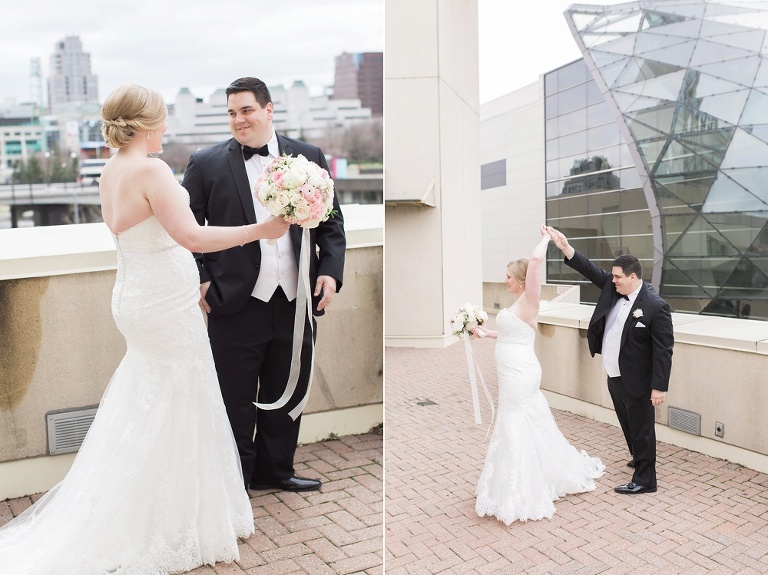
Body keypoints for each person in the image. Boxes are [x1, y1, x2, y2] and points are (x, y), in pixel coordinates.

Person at [0, 84, 293, 573]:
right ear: (145, 124)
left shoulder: (111, 169)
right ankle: (171, 519)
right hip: (161, 306)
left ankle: (152, 504)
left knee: (152, 397)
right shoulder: (150, 169)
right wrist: (260, 231)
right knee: (178, 399)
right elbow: (191, 235)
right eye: (161, 121)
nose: (165, 129)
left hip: (138, 298)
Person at [182, 77, 346, 493]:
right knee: (234, 398)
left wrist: (330, 270)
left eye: (247, 110)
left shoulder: (308, 157)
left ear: (269, 109)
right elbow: (184, 230)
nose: (239, 120)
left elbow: (331, 222)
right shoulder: (206, 163)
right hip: (234, 300)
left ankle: (276, 471)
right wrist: (201, 279)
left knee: (287, 390)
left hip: (296, 300)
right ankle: (235, 481)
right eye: (232, 113)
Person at [473, 225, 605, 524]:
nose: (504, 280)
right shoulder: (517, 305)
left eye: (508, 276)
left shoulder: (531, 298)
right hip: (511, 372)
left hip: (522, 373)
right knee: (519, 419)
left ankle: (519, 488)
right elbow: (512, 335)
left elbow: (535, 262)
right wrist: (485, 333)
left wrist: (547, 238)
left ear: (521, 280)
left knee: (515, 420)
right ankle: (509, 480)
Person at [546, 226, 674, 495]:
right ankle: (639, 458)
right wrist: (565, 247)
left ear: (633, 277)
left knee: (642, 427)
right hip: (614, 374)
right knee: (628, 423)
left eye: (617, 277)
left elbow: (664, 349)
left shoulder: (655, 306)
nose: (612, 280)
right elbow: (589, 269)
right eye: (612, 276)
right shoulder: (613, 288)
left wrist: (659, 386)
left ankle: (645, 479)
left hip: (638, 379)